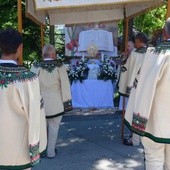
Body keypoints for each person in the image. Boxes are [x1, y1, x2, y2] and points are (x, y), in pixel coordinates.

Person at [125, 17, 170, 169]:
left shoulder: (153, 55)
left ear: (164, 33)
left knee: (153, 161)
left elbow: (142, 87)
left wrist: (137, 122)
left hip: (155, 123)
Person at [0, 28, 47, 170]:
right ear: (20, 48)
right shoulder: (28, 79)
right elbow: (35, 116)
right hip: (18, 152)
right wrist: (36, 149)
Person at [31, 44, 72, 159]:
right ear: (53, 54)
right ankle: (51, 152)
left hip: (40, 104)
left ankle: (40, 151)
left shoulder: (35, 66)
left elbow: (31, 85)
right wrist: (67, 103)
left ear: (43, 54)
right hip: (56, 104)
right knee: (54, 128)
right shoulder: (60, 66)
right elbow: (65, 85)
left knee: (41, 129)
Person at [118, 33, 148, 146]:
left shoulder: (135, 54)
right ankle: (142, 138)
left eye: (135, 41)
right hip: (148, 87)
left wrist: (124, 60)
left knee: (134, 112)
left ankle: (135, 139)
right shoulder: (152, 53)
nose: (135, 43)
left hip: (136, 87)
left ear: (140, 40)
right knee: (144, 112)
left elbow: (127, 69)